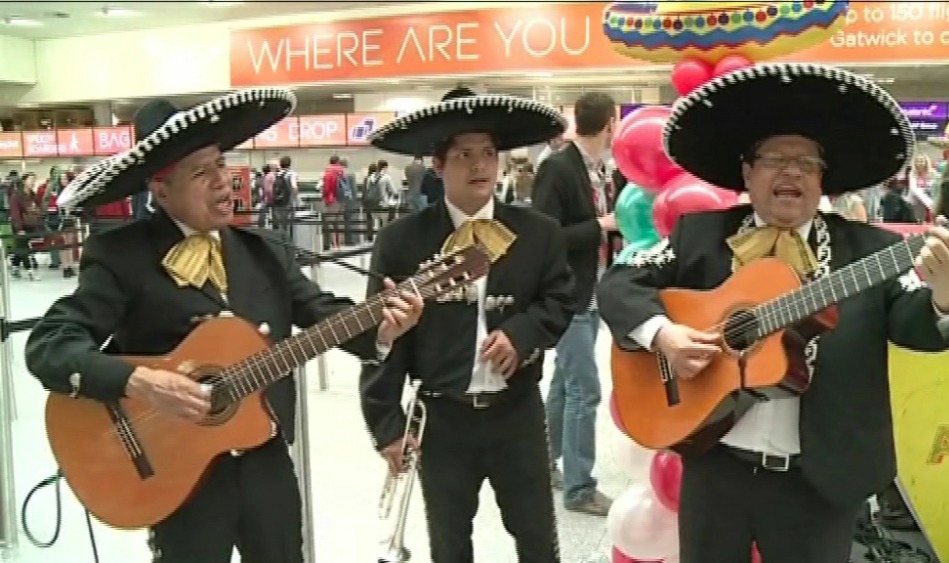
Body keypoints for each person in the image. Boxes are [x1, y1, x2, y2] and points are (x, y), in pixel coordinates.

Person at [23, 90, 424, 563]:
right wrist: (141, 381)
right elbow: (50, 345)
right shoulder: (121, 255)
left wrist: (383, 328)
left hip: (264, 458)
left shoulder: (262, 249)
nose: (222, 181)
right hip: (177, 471)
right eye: (200, 172)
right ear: (160, 190)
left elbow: (322, 311)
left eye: (220, 164)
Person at [597, 63, 949, 562]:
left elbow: (920, 328)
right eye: (775, 159)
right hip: (716, 466)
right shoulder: (700, 236)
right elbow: (621, 282)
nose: (792, 171)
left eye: (807, 164)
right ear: (747, 173)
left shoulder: (872, 251)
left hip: (820, 480)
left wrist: (947, 293)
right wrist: (663, 334)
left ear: (822, 181)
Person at [362, 87, 576, 562]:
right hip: (442, 419)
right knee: (449, 544)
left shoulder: (538, 232)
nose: (480, 165)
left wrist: (521, 333)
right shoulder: (401, 241)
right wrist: (387, 424)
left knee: (538, 539)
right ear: (438, 164)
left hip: (517, 412)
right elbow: (382, 337)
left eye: (488, 153)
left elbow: (562, 299)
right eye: (464, 155)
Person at [532, 91, 618, 516]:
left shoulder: (603, 170)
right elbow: (544, 235)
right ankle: (580, 487)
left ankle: (543, 462)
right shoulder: (558, 167)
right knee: (586, 389)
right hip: (567, 294)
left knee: (565, 385)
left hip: (596, 288)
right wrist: (600, 225)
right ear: (610, 124)